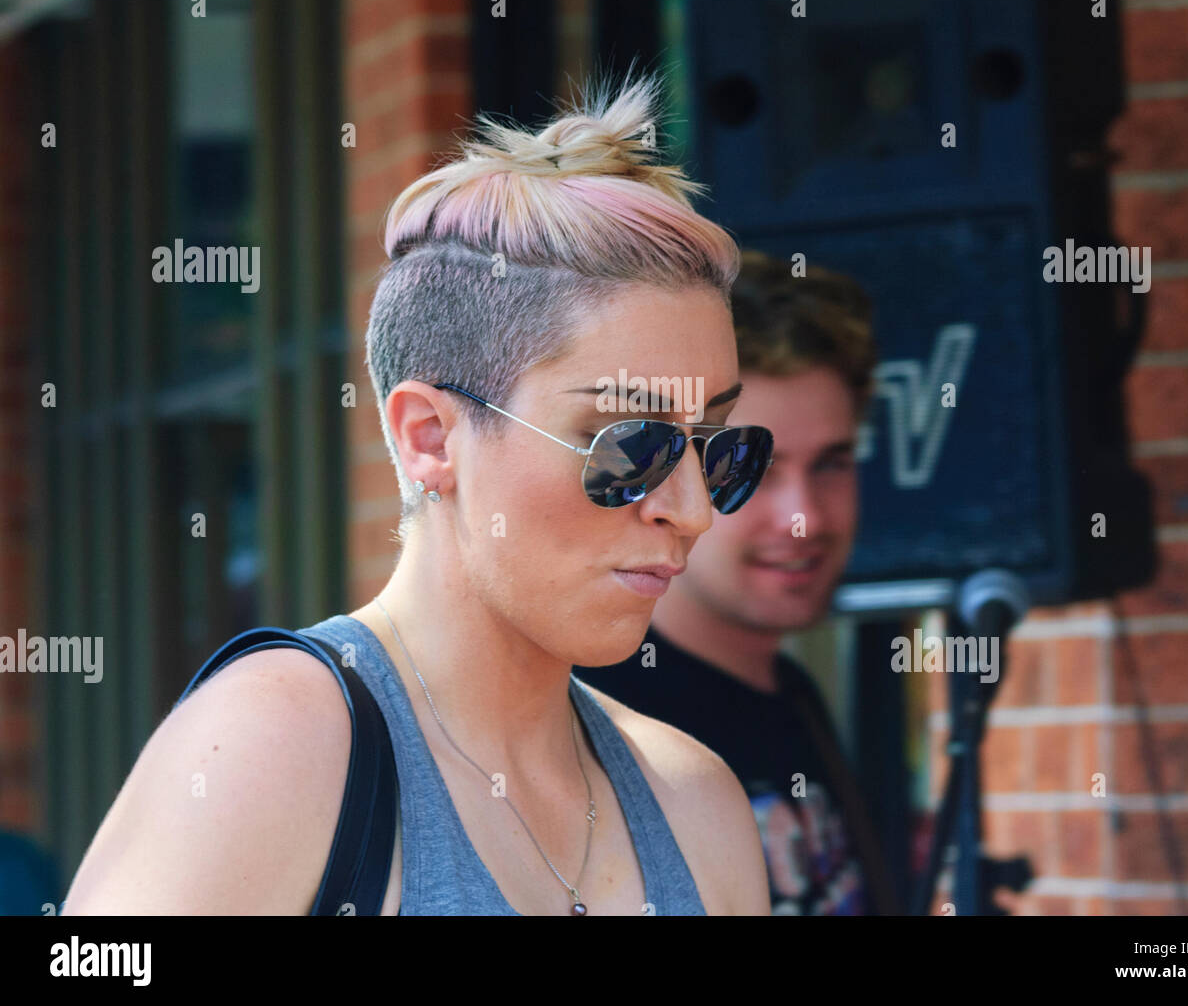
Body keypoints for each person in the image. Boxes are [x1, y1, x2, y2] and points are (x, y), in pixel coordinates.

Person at [60, 71, 774, 916]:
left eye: (717, 448)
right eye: (633, 445)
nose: (691, 510)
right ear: (430, 438)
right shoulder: (277, 743)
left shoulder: (695, 805)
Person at [575, 248, 899, 915]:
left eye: (833, 463)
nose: (804, 518)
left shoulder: (793, 695)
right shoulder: (597, 723)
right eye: (756, 466)